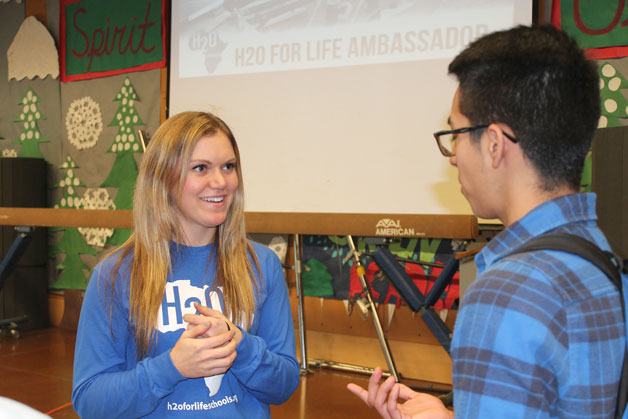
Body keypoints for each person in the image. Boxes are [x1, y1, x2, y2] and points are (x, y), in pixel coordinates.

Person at [348, 24, 627, 418]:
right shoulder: (604, 260)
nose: (453, 154)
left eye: (456, 133)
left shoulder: (506, 293)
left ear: (494, 144)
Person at [72, 111, 300, 418]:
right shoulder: (114, 275)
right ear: (164, 178)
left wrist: (240, 347)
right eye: (200, 168)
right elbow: (90, 402)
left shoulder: (262, 265)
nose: (220, 182)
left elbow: (284, 385)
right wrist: (172, 367)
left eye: (228, 167)